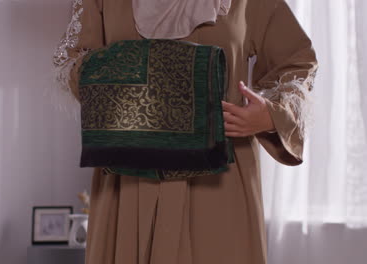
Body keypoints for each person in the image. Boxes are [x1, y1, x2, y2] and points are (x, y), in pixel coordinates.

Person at [52, 0, 318, 263]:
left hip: (220, 173)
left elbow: (297, 60)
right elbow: (73, 59)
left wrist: (269, 115)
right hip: (128, 174)